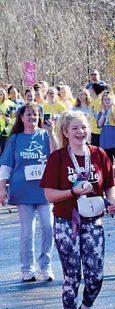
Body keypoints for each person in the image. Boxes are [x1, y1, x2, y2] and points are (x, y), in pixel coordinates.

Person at [40, 111, 115, 309]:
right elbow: (49, 194)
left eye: (83, 127)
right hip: (66, 222)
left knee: (95, 277)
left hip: (93, 221)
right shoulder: (58, 158)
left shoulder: (99, 154)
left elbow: (110, 185)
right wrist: (72, 192)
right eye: (74, 128)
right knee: (72, 276)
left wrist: (111, 201)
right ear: (65, 132)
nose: (80, 132)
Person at [0, 103, 57, 281]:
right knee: (27, 231)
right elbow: (6, 165)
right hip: (22, 191)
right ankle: (27, 268)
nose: (32, 117)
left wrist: (52, 133)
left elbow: (56, 156)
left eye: (35, 114)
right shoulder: (15, 139)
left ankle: (45, 266)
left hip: (45, 190)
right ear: (21, 118)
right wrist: (2, 188)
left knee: (48, 228)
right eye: (28, 114)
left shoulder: (45, 135)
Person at [97, 91, 115, 184]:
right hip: (105, 139)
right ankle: (109, 178)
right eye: (105, 99)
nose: (107, 101)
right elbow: (99, 125)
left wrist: (112, 113)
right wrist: (103, 114)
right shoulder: (101, 111)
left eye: (108, 99)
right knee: (107, 161)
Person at [88, 81, 106, 147]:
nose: (89, 90)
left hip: (99, 131)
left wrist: (93, 112)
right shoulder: (91, 101)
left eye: (90, 89)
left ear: (92, 90)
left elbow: (100, 116)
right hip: (92, 130)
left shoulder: (99, 101)